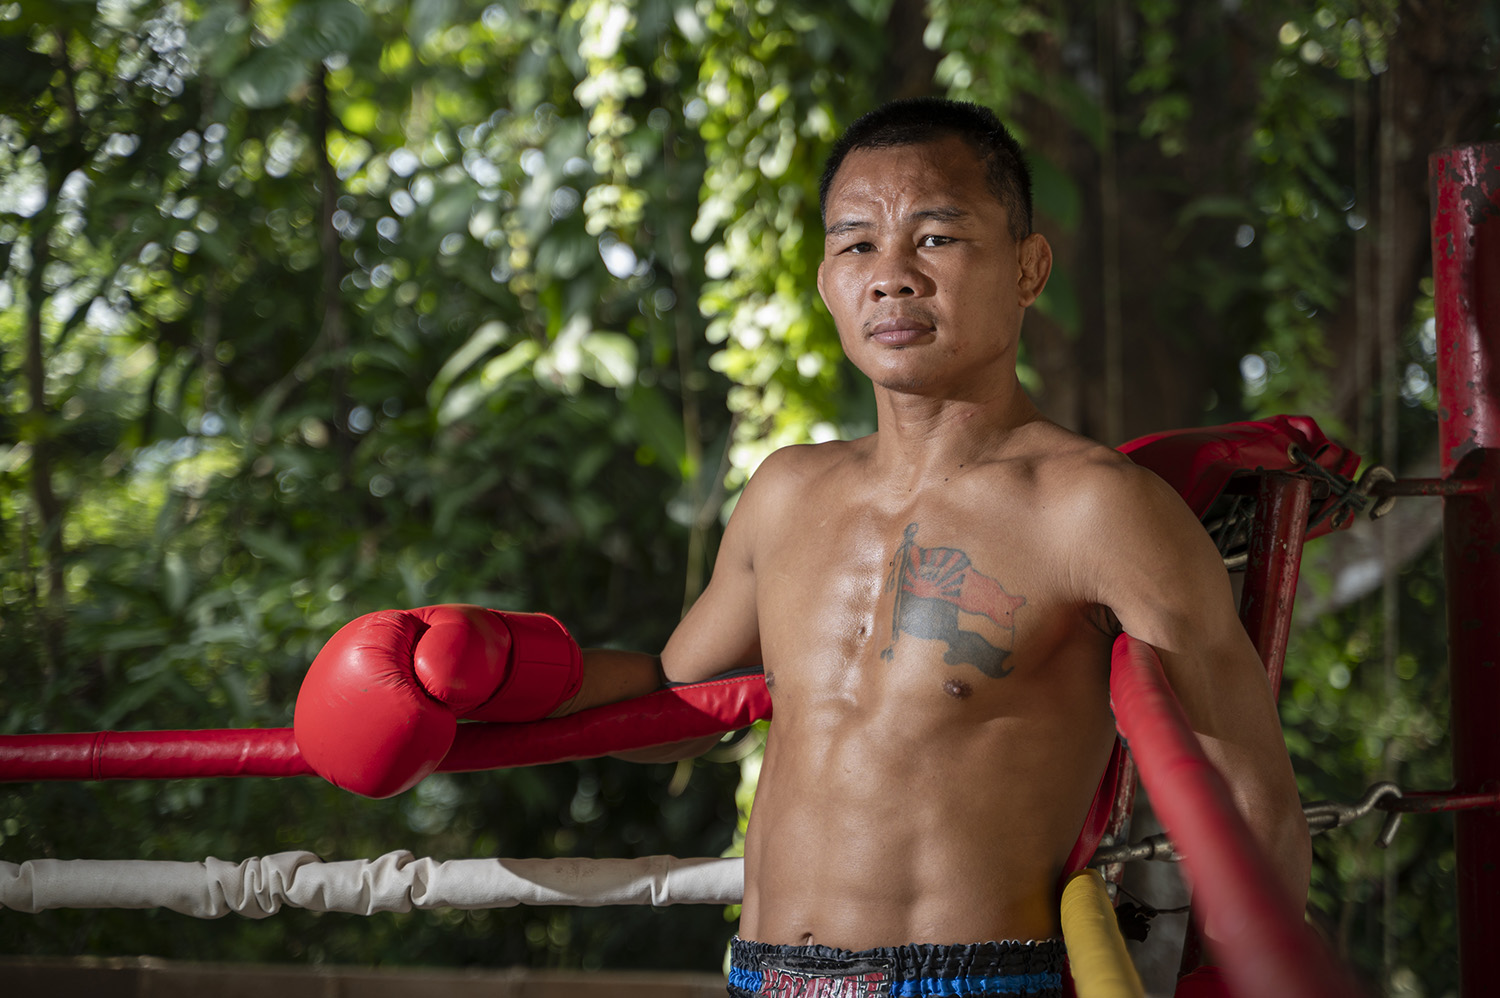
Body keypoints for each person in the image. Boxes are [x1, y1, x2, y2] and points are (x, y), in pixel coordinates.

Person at [297, 98, 1309, 998]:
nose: (893, 276)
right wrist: (496, 666)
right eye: (857, 243)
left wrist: (1235, 971)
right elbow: (674, 696)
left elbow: (1249, 787)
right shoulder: (787, 491)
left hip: (976, 977)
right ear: (826, 280)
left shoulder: (1094, 509)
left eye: (940, 237)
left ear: (1029, 267)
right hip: (762, 973)